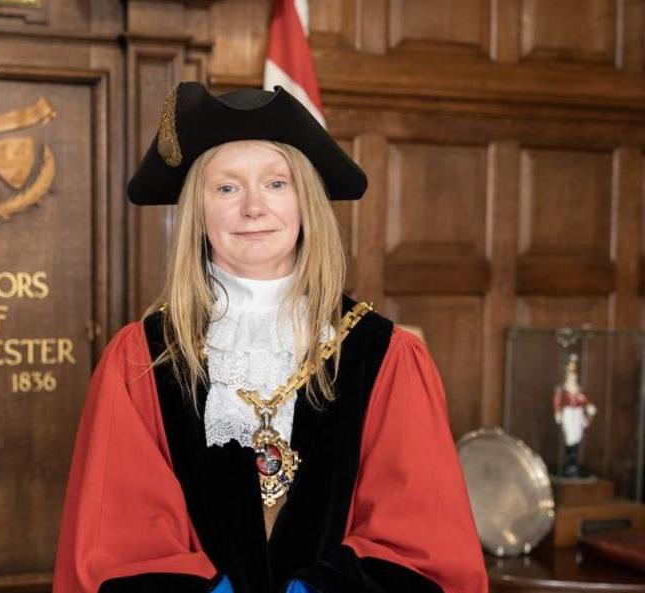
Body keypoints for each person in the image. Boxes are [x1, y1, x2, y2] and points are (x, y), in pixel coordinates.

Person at [53, 81, 487, 593]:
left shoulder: (384, 354)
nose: (254, 208)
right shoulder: (141, 360)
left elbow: (423, 543)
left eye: (277, 184)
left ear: (306, 201)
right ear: (199, 211)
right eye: (227, 187)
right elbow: (115, 545)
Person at [553, 353, 597, 478]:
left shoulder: (578, 393)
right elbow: (557, 402)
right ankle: (569, 463)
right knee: (569, 438)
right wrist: (557, 413)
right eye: (570, 378)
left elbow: (585, 402)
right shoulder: (562, 391)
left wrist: (589, 407)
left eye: (574, 378)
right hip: (568, 414)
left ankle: (573, 464)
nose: (572, 381)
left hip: (577, 414)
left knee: (577, 437)